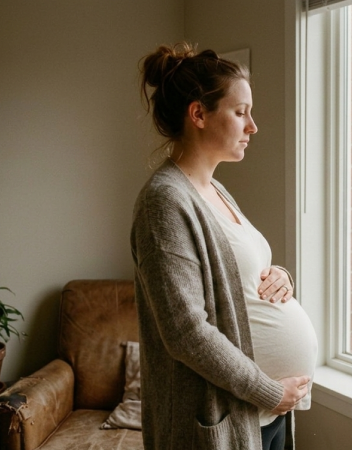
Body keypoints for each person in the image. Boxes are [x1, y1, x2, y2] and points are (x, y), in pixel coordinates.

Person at [130, 42, 318, 450]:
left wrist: (280, 276)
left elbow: (235, 272)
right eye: (240, 112)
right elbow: (186, 332)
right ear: (198, 113)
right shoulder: (164, 200)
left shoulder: (214, 188)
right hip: (222, 419)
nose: (253, 126)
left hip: (263, 413)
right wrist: (269, 392)